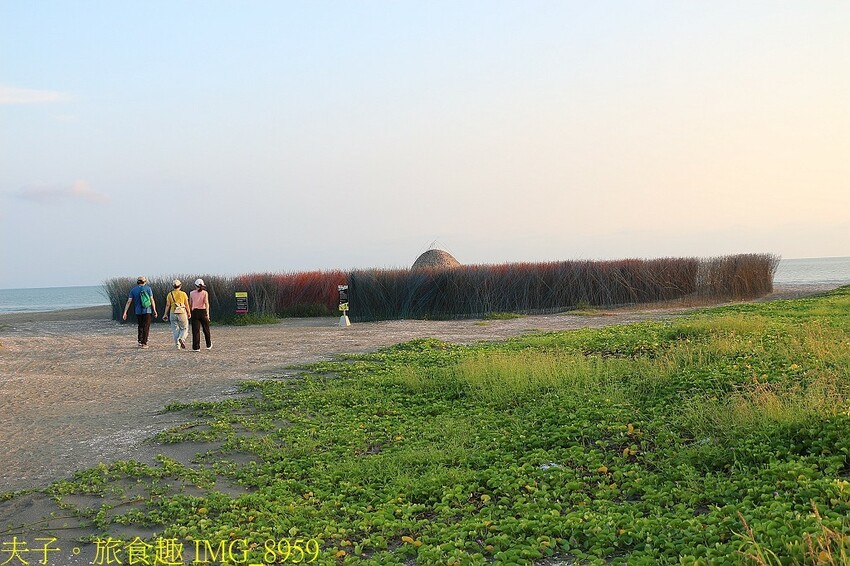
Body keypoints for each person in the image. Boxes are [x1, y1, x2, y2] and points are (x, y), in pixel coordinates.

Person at [122, 276, 157, 348]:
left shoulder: (133, 290)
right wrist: (154, 310)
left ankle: (140, 341)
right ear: (145, 282)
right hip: (147, 310)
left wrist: (125, 312)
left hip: (138, 311)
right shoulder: (148, 288)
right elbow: (151, 300)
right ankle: (144, 343)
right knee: (146, 326)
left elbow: (129, 302)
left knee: (140, 326)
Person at [162, 279, 191, 350]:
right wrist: (189, 312)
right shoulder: (183, 294)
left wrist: (165, 314)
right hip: (182, 313)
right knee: (184, 328)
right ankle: (182, 339)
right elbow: (186, 304)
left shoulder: (170, 294)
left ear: (173, 286)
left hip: (173, 312)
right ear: (180, 286)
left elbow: (167, 305)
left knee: (175, 329)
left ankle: (177, 345)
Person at [189, 278, 212, 351]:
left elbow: (190, 303)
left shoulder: (191, 293)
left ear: (195, 286)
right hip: (203, 311)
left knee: (195, 330)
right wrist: (207, 313)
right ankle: (208, 344)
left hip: (195, 312)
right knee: (206, 329)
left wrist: (190, 312)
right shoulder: (205, 293)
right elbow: (206, 303)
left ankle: (196, 347)